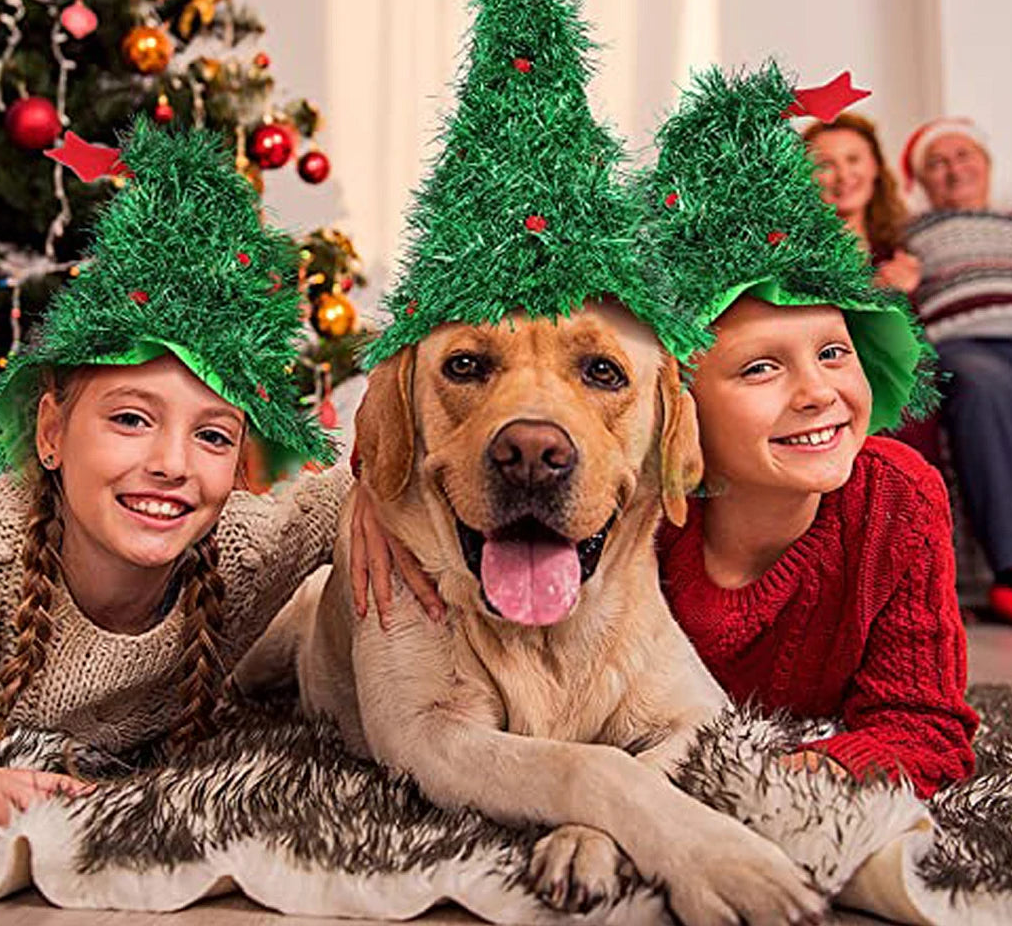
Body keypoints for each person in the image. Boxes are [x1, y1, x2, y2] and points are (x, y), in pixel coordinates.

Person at [355, 65, 978, 799]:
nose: (816, 393)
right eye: (760, 370)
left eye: (835, 353)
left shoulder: (895, 501)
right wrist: (366, 490)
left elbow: (926, 725)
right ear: (681, 415)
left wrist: (792, 776)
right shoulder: (647, 512)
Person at [0, 124, 353, 836]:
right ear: (51, 433)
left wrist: (377, 508)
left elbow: (363, 479)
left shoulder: (244, 548)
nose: (171, 463)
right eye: (132, 419)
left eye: (211, 436)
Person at [901, 116, 1012, 625]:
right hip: (964, 345)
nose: (953, 170)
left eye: (963, 156)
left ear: (986, 164)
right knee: (985, 387)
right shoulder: (907, 233)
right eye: (938, 162)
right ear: (921, 182)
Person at [803, 112, 920, 294]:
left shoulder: (899, 251)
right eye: (825, 164)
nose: (843, 175)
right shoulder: (794, 254)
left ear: (875, 166)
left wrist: (910, 291)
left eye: (853, 159)